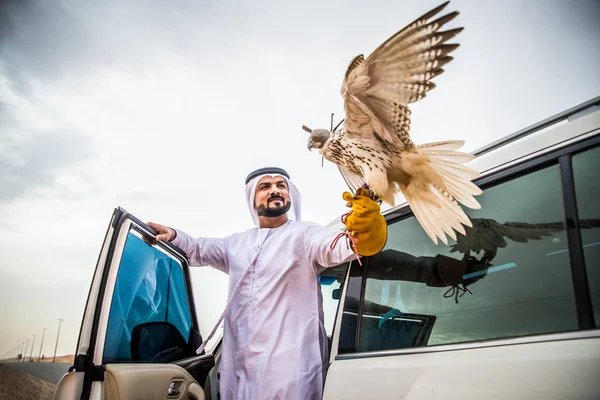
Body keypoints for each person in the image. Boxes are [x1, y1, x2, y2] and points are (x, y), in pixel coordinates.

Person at [147, 166, 387, 400]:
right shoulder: (236, 244)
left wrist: (364, 227)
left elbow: (343, 246)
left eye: (281, 185)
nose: (275, 190)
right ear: (253, 198)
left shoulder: (306, 235)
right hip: (240, 373)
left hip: (289, 374)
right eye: (266, 186)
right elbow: (197, 248)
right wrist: (173, 235)